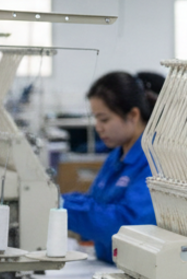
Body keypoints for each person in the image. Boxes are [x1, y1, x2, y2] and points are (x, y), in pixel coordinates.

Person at [62, 72, 156, 262]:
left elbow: (128, 226)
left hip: (136, 273)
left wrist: (62, 208)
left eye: (104, 119)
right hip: (107, 265)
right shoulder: (117, 155)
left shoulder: (155, 160)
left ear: (133, 115)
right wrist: (56, 200)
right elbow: (94, 201)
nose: (98, 127)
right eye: (96, 119)